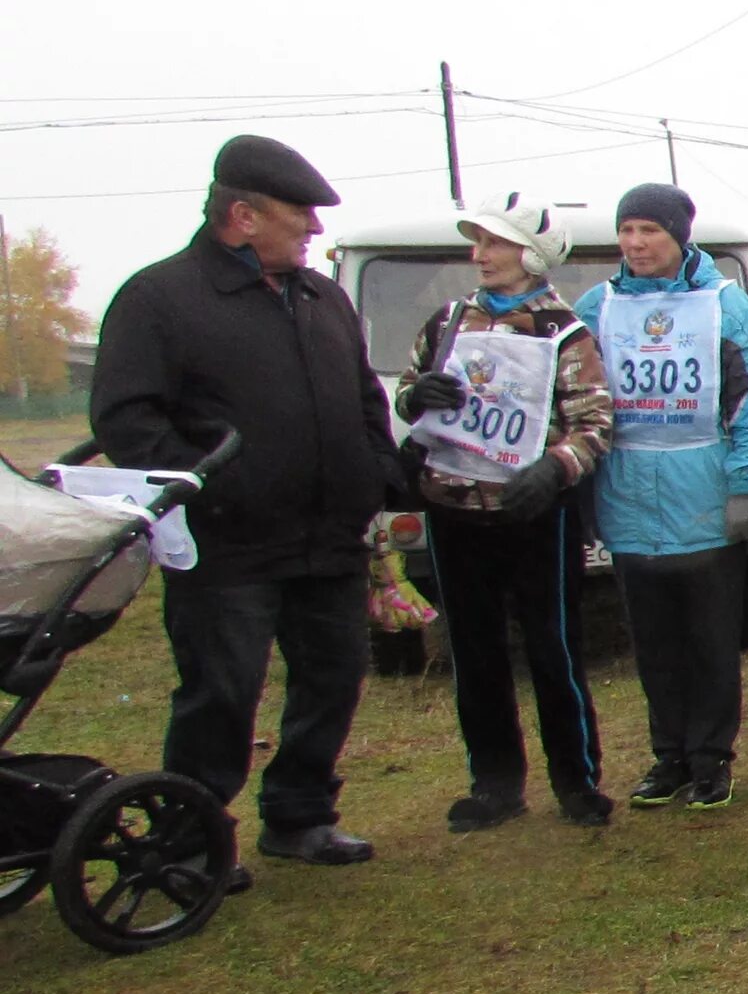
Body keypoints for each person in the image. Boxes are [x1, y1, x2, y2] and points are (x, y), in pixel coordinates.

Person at [90, 134, 396, 872]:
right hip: (229, 545)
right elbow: (127, 419)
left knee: (334, 678)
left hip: (328, 536)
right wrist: (211, 487)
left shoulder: (322, 298)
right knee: (221, 692)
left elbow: (361, 399)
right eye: (301, 213)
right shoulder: (160, 298)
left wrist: (380, 473)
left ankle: (299, 814)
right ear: (244, 215)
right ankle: (191, 840)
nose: (315, 229)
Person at [395, 191, 617, 830]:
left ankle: (576, 780)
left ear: (532, 253)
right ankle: (494, 783)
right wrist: (419, 396)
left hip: (534, 513)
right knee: (475, 648)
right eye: (478, 242)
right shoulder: (446, 322)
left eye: (494, 242)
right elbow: (411, 391)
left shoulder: (564, 331)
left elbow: (595, 422)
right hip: (454, 508)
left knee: (553, 648)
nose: (481, 254)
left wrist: (554, 471)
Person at [575, 182, 748, 812]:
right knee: (655, 641)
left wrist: (747, 483)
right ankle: (668, 756)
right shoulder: (595, 306)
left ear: (678, 236)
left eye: (650, 231)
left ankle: (713, 758)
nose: (636, 244)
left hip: (705, 491)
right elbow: (575, 396)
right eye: (627, 230)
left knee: (711, 639)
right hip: (629, 494)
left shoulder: (726, 306)